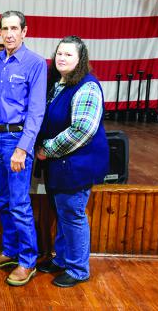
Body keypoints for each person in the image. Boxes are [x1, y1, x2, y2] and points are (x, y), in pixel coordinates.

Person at [35, 35, 109, 287]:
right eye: (59, 53)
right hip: (61, 165)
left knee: (73, 213)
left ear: (80, 59)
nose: (62, 58)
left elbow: (82, 130)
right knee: (63, 211)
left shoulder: (87, 86)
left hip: (77, 165)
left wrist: (47, 149)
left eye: (68, 54)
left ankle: (78, 269)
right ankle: (63, 259)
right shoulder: (60, 83)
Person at [0, 11, 47, 286]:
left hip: (17, 140)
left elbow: (36, 111)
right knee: (3, 201)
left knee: (20, 204)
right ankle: (10, 251)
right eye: (5, 28)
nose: (9, 33)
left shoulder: (35, 63)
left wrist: (23, 148)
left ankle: (27, 260)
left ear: (24, 31)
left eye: (14, 28)